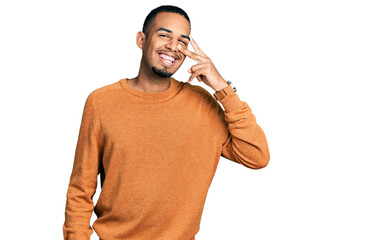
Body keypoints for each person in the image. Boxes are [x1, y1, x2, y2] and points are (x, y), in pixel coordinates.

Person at [62, 5, 270, 240]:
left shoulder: (202, 104)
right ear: (141, 39)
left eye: (183, 41)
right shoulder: (101, 102)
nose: (173, 46)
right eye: (164, 35)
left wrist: (222, 88)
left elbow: (257, 155)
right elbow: (81, 191)